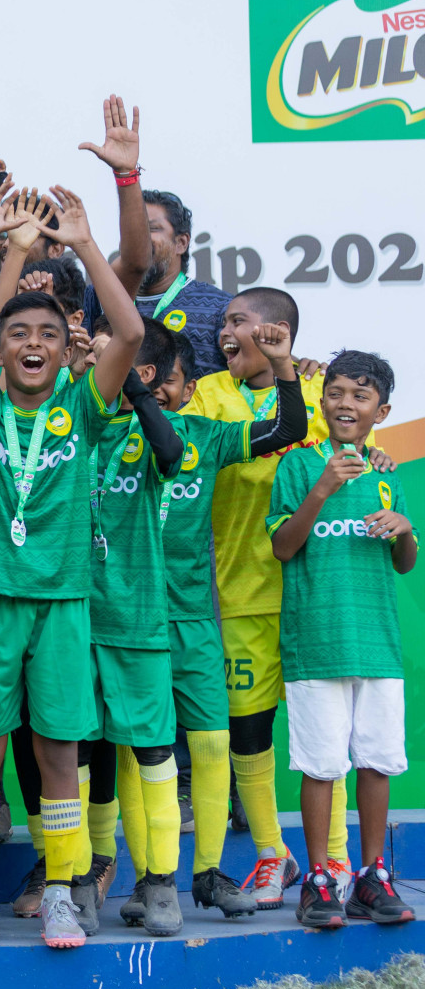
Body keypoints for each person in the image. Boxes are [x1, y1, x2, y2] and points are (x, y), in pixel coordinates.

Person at [0, 180, 144, 951]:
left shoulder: (83, 406)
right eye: (16, 331)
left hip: (61, 604)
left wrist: (87, 243)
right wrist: (5, 248)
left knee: (60, 753)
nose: (31, 343)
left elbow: (126, 333)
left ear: (66, 350)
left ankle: (61, 890)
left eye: (47, 335)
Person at [136, 328, 303, 925]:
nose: (184, 392)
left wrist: (285, 366)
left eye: (178, 379)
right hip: (128, 623)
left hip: (196, 619)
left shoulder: (208, 436)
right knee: (145, 755)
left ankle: (206, 872)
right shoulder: (103, 433)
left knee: (211, 746)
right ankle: (148, 878)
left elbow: (286, 431)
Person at [182, 287, 337, 909]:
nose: (225, 331)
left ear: (276, 330)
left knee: (325, 733)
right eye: (223, 322)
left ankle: (335, 863)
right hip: (238, 592)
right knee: (249, 730)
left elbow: (349, 460)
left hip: (311, 595)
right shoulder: (207, 395)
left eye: (238, 320)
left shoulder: (322, 396)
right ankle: (274, 852)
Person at [268, 351, 415, 929]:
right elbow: (283, 547)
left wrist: (405, 530)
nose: (346, 404)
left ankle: (372, 876)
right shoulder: (300, 468)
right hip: (315, 644)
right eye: (336, 393)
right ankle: (320, 879)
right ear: (320, 400)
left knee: (377, 762)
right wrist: (322, 490)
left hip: (377, 646)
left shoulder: (386, 473)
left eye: (360, 395)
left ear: (383, 410)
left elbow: (404, 562)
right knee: (322, 765)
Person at [77, 320, 186, 938]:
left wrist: (138, 391)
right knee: (83, 754)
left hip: (139, 622)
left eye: (116, 357)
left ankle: (162, 883)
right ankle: (88, 876)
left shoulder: (150, 434)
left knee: (152, 753)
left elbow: (171, 455)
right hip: (77, 620)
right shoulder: (76, 417)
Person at [82, 187, 231, 381]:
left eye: (151, 229)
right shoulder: (96, 298)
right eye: (132, 232)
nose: (139, 239)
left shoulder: (218, 307)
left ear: (181, 243)